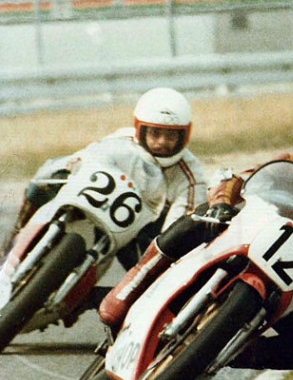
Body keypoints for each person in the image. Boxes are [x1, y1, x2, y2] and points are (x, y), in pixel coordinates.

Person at [99, 110, 293, 371]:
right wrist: (221, 204)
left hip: (291, 285)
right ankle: (130, 287)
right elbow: (236, 180)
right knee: (200, 219)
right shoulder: (288, 165)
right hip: (244, 237)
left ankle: (227, 353)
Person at [4, 87, 208, 271]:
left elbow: (180, 226)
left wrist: (161, 245)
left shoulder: (192, 176)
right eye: (155, 133)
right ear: (141, 130)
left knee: (154, 264)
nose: (162, 142)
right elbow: (84, 159)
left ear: (184, 136)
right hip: (91, 203)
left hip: (139, 232)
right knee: (47, 177)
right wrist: (69, 168)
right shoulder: (121, 141)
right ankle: (15, 238)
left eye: (171, 136)